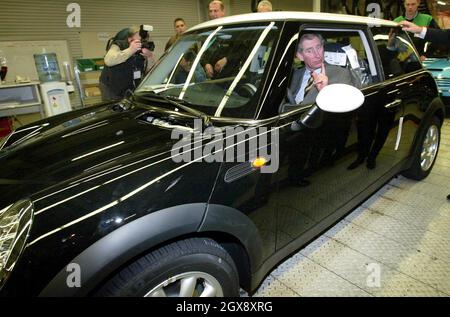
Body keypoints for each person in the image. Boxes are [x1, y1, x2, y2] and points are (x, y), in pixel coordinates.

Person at [99, 26, 155, 101]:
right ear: (129, 39)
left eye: (143, 41)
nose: (140, 43)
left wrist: (149, 57)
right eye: (138, 40)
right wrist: (130, 50)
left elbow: (151, 71)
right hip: (111, 87)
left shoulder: (142, 49)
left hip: (129, 87)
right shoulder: (118, 45)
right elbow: (108, 61)